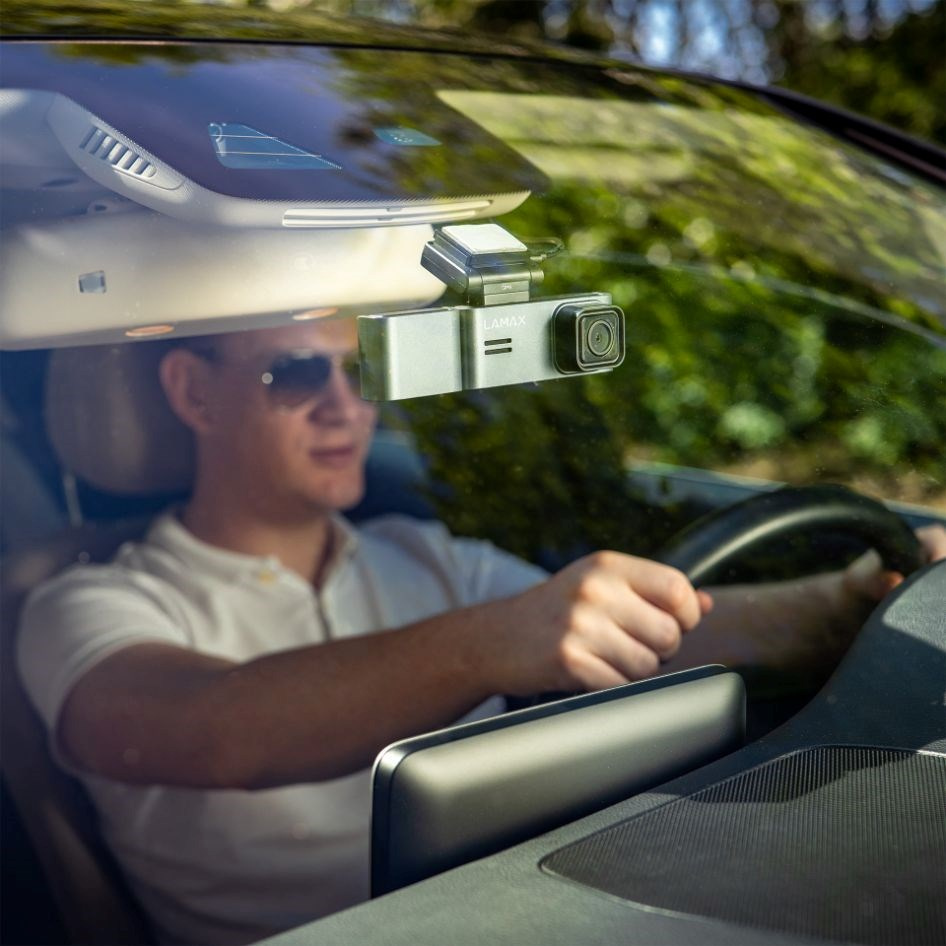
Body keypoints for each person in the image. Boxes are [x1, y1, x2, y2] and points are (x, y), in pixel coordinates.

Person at [17, 316, 946, 945]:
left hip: (525, 907)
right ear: (193, 393)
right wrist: (488, 642)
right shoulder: (86, 602)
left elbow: (629, 633)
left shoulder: (420, 554)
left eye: (361, 370)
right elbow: (212, 729)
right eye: (295, 372)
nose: (345, 405)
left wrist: (856, 599)